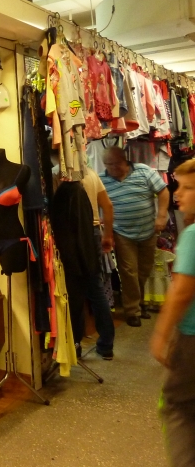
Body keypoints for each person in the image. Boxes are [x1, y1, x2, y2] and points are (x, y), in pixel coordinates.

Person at [151, 158, 195, 466]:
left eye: (187, 187)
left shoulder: (192, 235)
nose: (177, 193)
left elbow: (181, 292)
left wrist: (161, 334)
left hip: (191, 339)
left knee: (176, 407)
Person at [53, 162, 117, 359]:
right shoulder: (90, 173)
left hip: (69, 235)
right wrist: (107, 234)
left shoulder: (56, 174)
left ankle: (76, 345)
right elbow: (108, 206)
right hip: (93, 232)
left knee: (73, 291)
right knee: (95, 287)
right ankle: (106, 345)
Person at [101, 146, 169, 327]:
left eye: (116, 164)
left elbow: (163, 191)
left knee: (144, 269)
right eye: (108, 164)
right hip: (122, 232)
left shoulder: (144, 171)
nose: (112, 168)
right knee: (129, 271)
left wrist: (161, 215)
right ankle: (133, 310)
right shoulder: (102, 180)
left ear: (125, 160)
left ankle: (139, 302)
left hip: (148, 230)